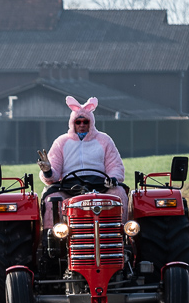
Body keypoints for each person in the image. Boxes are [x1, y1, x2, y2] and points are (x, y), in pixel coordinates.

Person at [36, 96, 126, 229]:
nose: (82, 125)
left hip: (100, 185)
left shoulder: (104, 140)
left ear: (91, 122)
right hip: (69, 187)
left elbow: (115, 165)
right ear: (73, 123)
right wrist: (48, 171)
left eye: (85, 121)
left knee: (119, 192)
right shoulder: (61, 142)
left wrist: (113, 178)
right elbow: (53, 175)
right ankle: (52, 237)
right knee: (52, 198)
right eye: (78, 122)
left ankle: (121, 233)